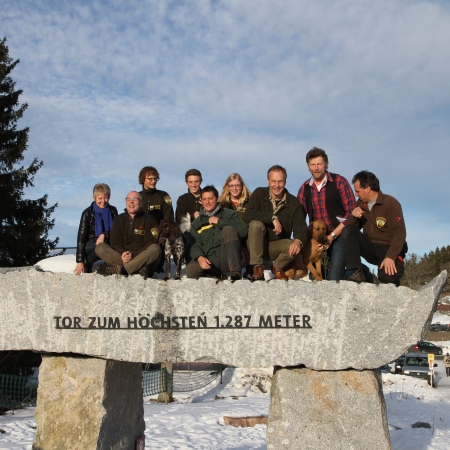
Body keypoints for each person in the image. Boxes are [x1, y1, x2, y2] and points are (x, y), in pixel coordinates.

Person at [298, 147, 356, 280]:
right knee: (316, 280)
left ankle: (358, 271)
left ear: (326, 164)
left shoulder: (339, 182)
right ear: (308, 166)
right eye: (313, 164)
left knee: (333, 280)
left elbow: (351, 213)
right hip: (316, 240)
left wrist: (332, 236)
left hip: (339, 236)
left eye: (319, 164)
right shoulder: (305, 188)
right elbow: (299, 218)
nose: (316, 168)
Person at [341, 170, 407, 286]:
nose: (356, 194)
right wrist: (354, 216)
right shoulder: (360, 204)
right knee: (347, 230)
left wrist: (391, 257)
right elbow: (350, 232)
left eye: (357, 191)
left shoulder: (390, 203)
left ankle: (397, 263)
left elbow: (400, 234)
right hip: (370, 247)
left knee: (387, 279)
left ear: (368, 189)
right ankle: (357, 271)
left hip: (387, 248)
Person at [244, 165, 308, 281]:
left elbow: (301, 228)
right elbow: (248, 215)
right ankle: (257, 268)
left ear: (285, 181)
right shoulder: (259, 193)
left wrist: (298, 241)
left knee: (294, 246)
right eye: (273, 181)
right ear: (268, 181)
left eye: (280, 181)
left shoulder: (293, 203)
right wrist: (272, 218)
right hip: (256, 244)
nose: (277, 185)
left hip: (277, 247)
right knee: (255, 224)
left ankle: (277, 267)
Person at [185, 185, 248, 280]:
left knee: (228, 230)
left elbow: (243, 231)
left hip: (227, 258)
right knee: (191, 270)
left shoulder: (229, 214)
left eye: (210, 198)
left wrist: (220, 222)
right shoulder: (197, 223)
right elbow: (194, 245)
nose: (207, 202)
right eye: (205, 199)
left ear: (217, 199)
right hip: (209, 260)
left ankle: (236, 272)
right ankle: (216, 274)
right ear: (201, 201)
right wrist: (199, 257)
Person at [95, 191, 161, 277]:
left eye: (134, 199)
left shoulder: (150, 220)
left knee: (155, 248)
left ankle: (123, 270)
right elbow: (115, 242)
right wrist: (122, 253)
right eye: (128, 199)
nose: (131, 202)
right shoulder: (119, 219)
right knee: (100, 247)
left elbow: (151, 242)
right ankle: (135, 269)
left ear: (141, 203)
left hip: (141, 257)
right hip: (123, 257)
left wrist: (133, 255)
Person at [74, 183, 118, 274]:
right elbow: (81, 237)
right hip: (91, 243)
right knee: (96, 248)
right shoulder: (87, 213)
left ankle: (88, 264)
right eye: (100, 198)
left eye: (106, 197)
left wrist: (104, 234)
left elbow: (117, 230)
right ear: (94, 198)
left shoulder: (113, 211)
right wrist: (79, 261)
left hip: (108, 241)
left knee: (103, 247)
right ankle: (86, 264)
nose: (103, 201)